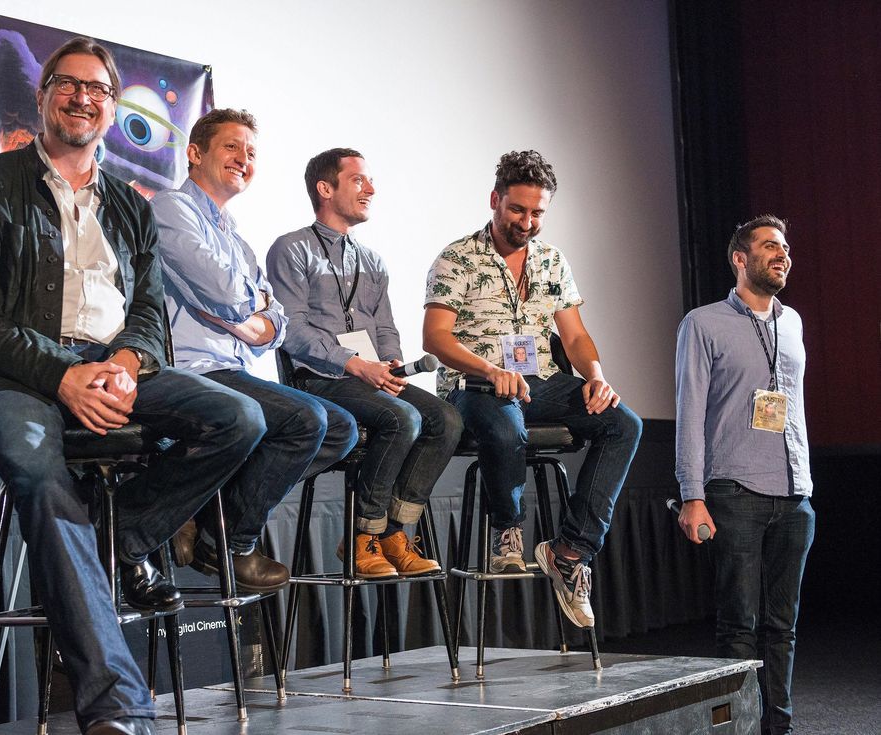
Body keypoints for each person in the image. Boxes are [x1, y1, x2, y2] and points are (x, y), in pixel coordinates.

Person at [0, 38, 266, 735]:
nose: (83, 96)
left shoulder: (129, 202)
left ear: (112, 106)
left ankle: (119, 543)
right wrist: (63, 375)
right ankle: (119, 709)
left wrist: (125, 362)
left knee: (239, 419)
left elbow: (149, 310)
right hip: (14, 377)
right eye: (69, 83)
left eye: (97, 88)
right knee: (42, 477)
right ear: (43, 95)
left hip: (112, 365)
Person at [423, 150, 642, 629]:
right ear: (495, 200)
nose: (527, 221)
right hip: (474, 383)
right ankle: (507, 531)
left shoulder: (552, 260)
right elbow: (435, 338)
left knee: (623, 424)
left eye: (537, 212)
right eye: (517, 210)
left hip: (538, 381)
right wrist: (489, 368)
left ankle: (569, 552)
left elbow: (575, 335)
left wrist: (598, 377)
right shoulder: (457, 257)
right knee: (505, 427)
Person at [152, 109, 357, 589]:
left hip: (234, 371)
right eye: (231, 147)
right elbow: (226, 291)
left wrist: (256, 318)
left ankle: (203, 510)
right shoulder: (168, 209)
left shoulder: (237, 239)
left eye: (251, 153)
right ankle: (230, 542)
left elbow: (277, 323)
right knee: (308, 420)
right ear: (195, 153)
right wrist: (253, 307)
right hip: (192, 371)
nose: (243, 159)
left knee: (341, 429)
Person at [266, 148, 462, 578]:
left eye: (369, 181)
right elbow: (291, 330)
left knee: (446, 420)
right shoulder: (291, 249)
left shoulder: (371, 260)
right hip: (317, 380)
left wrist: (389, 359)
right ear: (325, 188)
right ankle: (363, 537)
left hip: (370, 377)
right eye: (358, 180)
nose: (370, 189)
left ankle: (395, 533)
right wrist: (353, 363)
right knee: (400, 419)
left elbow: (385, 327)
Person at [675, 215, 815, 735]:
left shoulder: (793, 322)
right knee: (738, 628)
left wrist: (805, 487)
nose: (783, 255)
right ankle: (737, 728)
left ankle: (778, 727)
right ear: (740, 258)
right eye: (770, 247)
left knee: (784, 628)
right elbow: (689, 414)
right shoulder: (703, 322)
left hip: (795, 495)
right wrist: (692, 495)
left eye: (785, 247)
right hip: (734, 491)